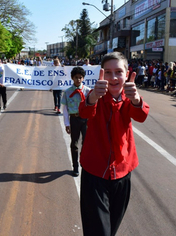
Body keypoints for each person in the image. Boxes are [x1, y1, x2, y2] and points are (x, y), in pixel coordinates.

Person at [78, 52, 150, 236]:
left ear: (127, 74)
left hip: (122, 173)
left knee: (111, 229)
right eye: (108, 72)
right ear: (101, 74)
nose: (113, 77)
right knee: (98, 232)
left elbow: (141, 116)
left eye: (119, 71)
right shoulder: (94, 95)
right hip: (95, 173)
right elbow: (84, 112)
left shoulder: (130, 97)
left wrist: (135, 100)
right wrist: (94, 96)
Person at [61, 66, 91, 176]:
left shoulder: (88, 91)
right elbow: (64, 109)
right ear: (72, 78)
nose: (78, 80)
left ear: (83, 78)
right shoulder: (68, 92)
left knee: (86, 143)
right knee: (74, 143)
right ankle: (75, 167)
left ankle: (85, 163)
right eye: (76, 77)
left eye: (80, 77)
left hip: (86, 120)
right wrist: (67, 123)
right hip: (74, 119)